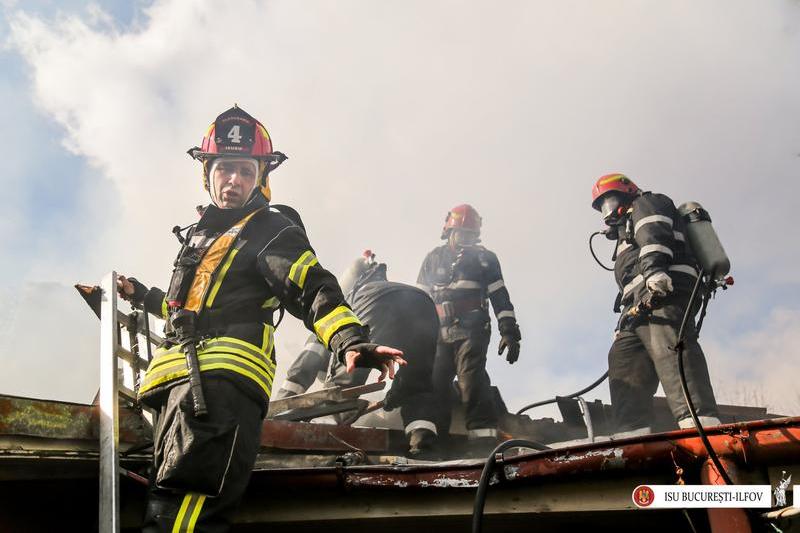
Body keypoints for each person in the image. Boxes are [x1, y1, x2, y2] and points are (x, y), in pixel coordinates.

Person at [116, 105, 405, 532]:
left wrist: (351, 340)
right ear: (207, 172)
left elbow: (312, 289)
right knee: (168, 507)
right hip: (179, 385)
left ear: (262, 179)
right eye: (226, 168)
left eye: (246, 172)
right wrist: (143, 295)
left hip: (219, 385)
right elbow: (190, 313)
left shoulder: (270, 229)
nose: (234, 180)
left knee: (189, 512)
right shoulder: (206, 236)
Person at [591, 173, 720, 437]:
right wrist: (624, 319)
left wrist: (654, 273)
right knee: (623, 359)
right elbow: (629, 278)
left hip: (667, 289)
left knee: (670, 348)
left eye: (611, 201)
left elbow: (654, 236)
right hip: (638, 304)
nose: (607, 211)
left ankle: (700, 423)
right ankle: (632, 433)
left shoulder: (647, 203)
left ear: (627, 193)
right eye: (602, 206)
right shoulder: (623, 233)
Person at [276, 251, 440, 457]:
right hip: (424, 305)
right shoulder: (391, 290)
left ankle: (322, 448)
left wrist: (282, 407)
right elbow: (408, 373)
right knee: (417, 388)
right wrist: (397, 393)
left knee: (341, 388)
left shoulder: (334, 313)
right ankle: (424, 445)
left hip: (376, 300)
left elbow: (306, 364)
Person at [417, 204, 521, 450]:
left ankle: (483, 443)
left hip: (472, 329)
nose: (465, 239)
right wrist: (415, 336)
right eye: (461, 233)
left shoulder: (486, 259)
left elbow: (500, 296)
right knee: (434, 382)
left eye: (470, 235)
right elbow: (419, 300)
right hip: (439, 333)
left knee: (471, 380)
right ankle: (434, 442)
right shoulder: (433, 258)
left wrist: (509, 331)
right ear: (449, 232)